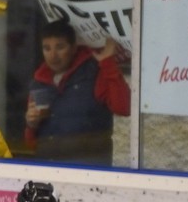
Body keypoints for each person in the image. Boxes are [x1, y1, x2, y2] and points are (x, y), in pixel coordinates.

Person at [24, 20, 130, 165]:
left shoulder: (94, 72)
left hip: (88, 172)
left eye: (60, 47)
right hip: (48, 172)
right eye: (47, 48)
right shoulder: (39, 82)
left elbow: (124, 107)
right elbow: (31, 143)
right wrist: (31, 124)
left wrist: (108, 63)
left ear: (74, 48)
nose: (53, 55)